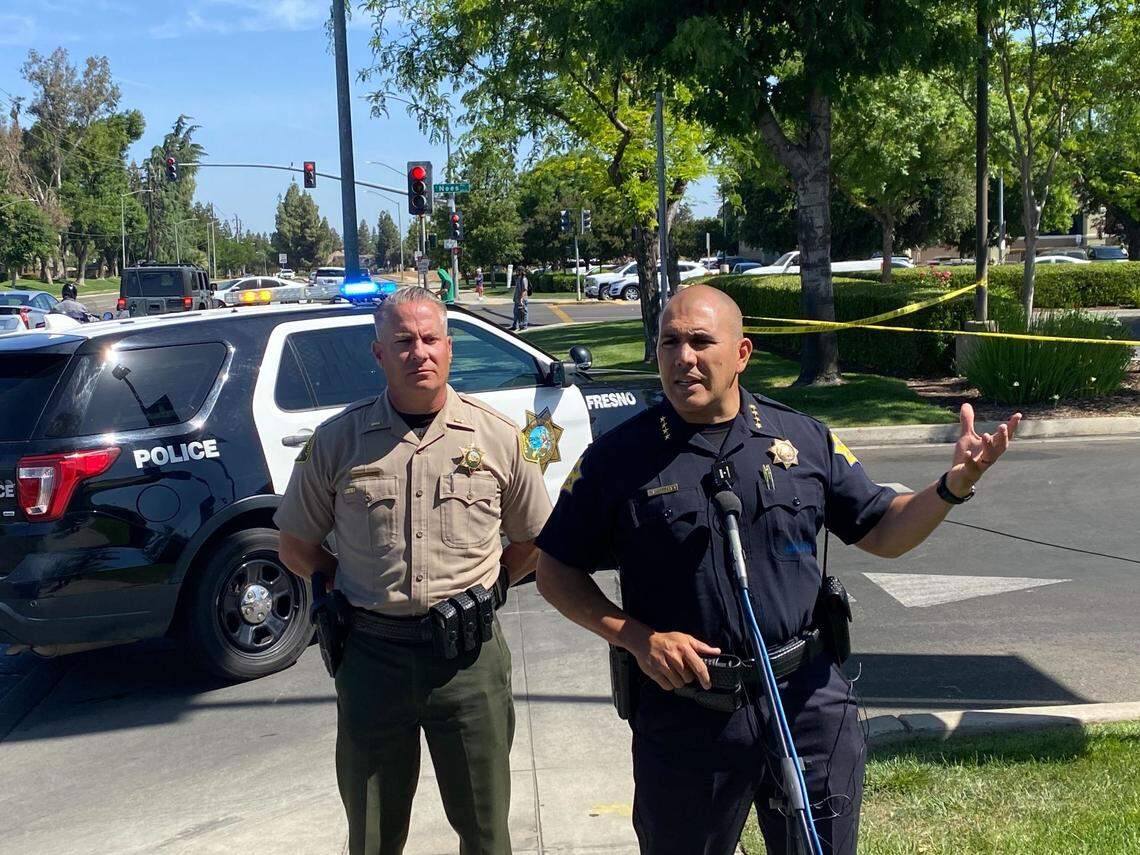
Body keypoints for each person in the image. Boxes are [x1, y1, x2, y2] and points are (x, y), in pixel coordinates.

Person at [534, 284, 1021, 855]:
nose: (683, 357)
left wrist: (951, 487)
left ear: (742, 353)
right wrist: (636, 638)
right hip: (689, 711)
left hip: (806, 701)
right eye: (669, 342)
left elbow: (883, 530)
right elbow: (555, 571)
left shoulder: (803, 439)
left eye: (700, 341)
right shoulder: (618, 459)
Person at [275, 286, 553, 855]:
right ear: (379, 354)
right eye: (402, 341)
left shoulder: (501, 437)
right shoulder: (337, 441)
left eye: (430, 339)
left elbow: (535, 539)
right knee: (373, 836)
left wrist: (493, 586)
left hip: (468, 664)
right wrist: (343, 580)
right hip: (372, 661)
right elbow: (295, 544)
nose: (418, 352)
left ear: (450, 349)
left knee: (484, 831)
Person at [509, 266, 529, 331]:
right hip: (517, 299)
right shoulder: (518, 278)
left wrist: (521, 299)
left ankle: (524, 325)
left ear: (521, 271)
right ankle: (515, 325)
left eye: (518, 270)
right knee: (516, 312)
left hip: (522, 299)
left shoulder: (524, 279)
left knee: (523, 312)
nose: (516, 271)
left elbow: (524, 290)